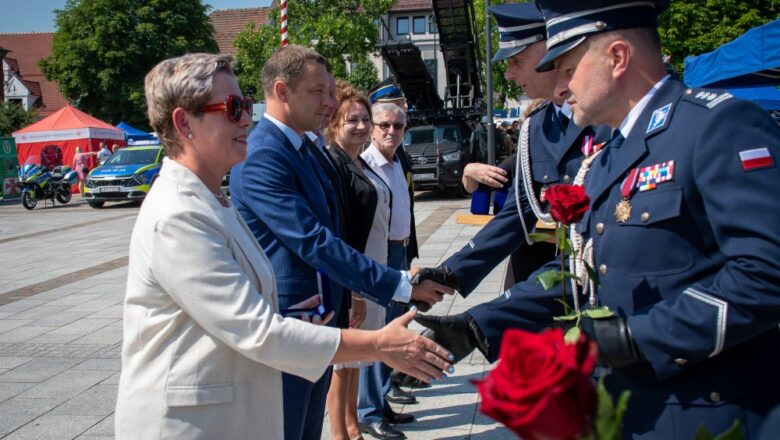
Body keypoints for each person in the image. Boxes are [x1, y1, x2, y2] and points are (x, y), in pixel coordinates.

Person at [420, 0, 780, 437]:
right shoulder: (610, 157)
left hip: (706, 412)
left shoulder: (719, 126)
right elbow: (580, 270)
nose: (559, 88)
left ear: (617, 58)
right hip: (627, 409)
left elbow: (765, 274)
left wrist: (635, 338)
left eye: (568, 68)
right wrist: (478, 327)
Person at [114, 52, 453, 440]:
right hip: (187, 424)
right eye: (233, 107)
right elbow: (259, 329)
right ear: (183, 123)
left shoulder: (210, 199)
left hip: (240, 395)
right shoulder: (178, 215)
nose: (247, 118)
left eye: (244, 105)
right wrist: (378, 344)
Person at [229, 45, 454, 440]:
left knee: (307, 426)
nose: (331, 103)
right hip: (289, 321)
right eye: (320, 92)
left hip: (319, 316)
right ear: (282, 92)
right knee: (288, 428)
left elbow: (335, 228)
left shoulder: (304, 146)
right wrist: (398, 284)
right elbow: (313, 240)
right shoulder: (264, 152)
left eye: (331, 91)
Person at [412, 2, 608, 309]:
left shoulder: (608, 118)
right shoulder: (537, 126)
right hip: (544, 288)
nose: (509, 73)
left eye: (516, 60)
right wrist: (451, 273)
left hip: (602, 290)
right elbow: (515, 216)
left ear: (549, 51)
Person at [324, 84, 392, 440]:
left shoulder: (356, 161)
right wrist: (356, 292)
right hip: (353, 276)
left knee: (354, 360)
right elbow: (343, 233)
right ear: (334, 122)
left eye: (366, 119)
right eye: (353, 119)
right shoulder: (335, 164)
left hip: (368, 271)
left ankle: (351, 426)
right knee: (342, 361)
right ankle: (340, 433)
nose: (363, 126)